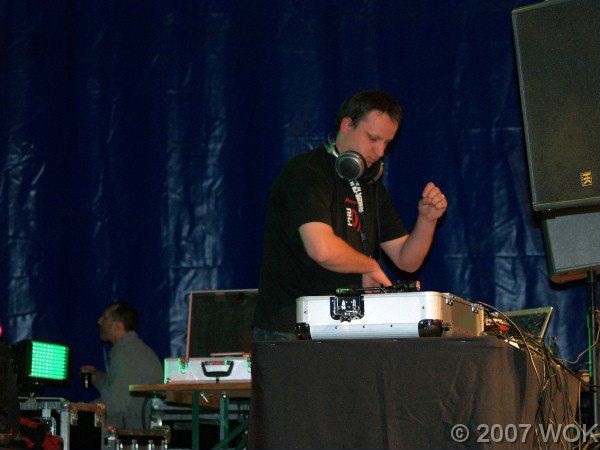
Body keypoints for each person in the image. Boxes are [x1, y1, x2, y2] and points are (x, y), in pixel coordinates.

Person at [252, 90, 448, 340]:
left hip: (344, 328)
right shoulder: (307, 172)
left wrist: (427, 221)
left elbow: (407, 261)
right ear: (347, 125)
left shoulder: (372, 186)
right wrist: (369, 265)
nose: (380, 152)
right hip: (290, 330)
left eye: (387, 143)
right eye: (373, 138)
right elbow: (322, 249)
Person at [81, 301, 162, 429]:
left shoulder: (129, 352)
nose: (99, 321)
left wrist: (77, 410)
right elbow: (119, 391)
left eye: (105, 317)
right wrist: (98, 377)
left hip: (133, 433)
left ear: (119, 325)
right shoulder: (129, 349)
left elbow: (113, 405)